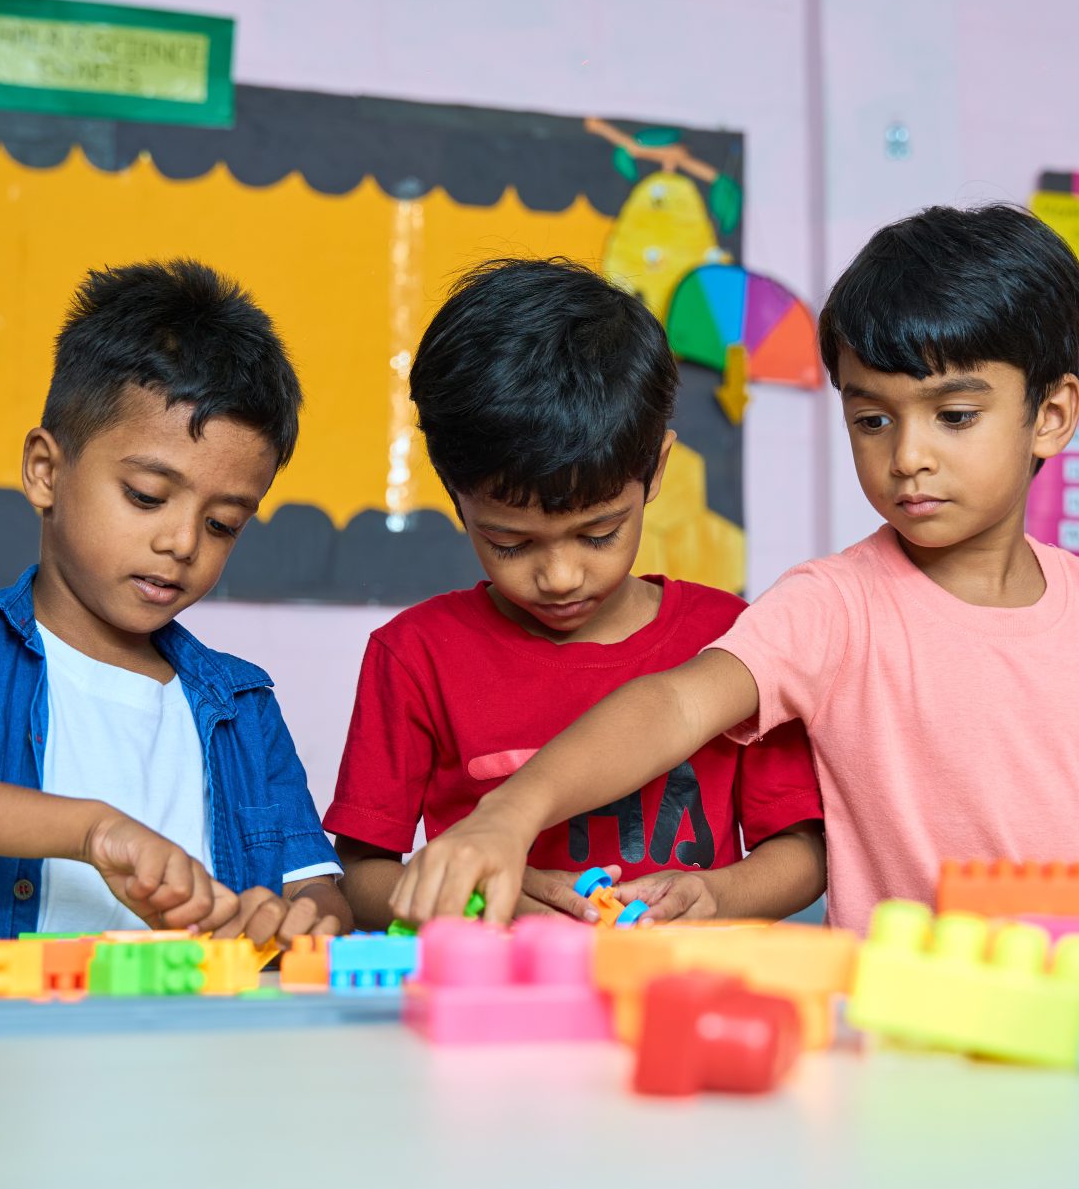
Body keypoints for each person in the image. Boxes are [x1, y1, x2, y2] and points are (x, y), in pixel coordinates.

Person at [388, 207, 1079, 932]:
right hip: (890, 1023)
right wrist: (512, 812)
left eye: (953, 416)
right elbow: (670, 705)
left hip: (1070, 1006)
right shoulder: (832, 607)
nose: (906, 453)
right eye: (871, 417)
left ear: (1051, 413)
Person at [0, 259, 351, 943]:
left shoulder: (243, 707)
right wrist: (89, 829)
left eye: (222, 524)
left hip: (185, 1045)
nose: (182, 542)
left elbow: (318, 892)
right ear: (46, 470)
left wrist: (296, 923)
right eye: (147, 497)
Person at [325, 258, 826, 928]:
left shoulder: (733, 642)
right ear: (455, 495)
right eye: (512, 542)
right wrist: (471, 898)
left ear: (655, 471)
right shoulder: (415, 655)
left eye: (598, 534)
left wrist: (720, 895)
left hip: (679, 989)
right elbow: (362, 875)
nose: (559, 576)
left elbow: (802, 850)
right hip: (501, 999)